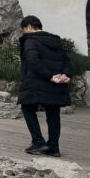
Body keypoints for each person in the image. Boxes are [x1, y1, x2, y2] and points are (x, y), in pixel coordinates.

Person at [17, 15, 71, 157]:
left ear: (28, 27)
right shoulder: (55, 41)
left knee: (27, 108)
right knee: (53, 113)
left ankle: (38, 141)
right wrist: (65, 74)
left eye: (23, 29)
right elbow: (67, 60)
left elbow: (33, 61)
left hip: (36, 83)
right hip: (56, 84)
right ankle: (53, 147)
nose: (23, 33)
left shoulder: (30, 41)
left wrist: (50, 76)